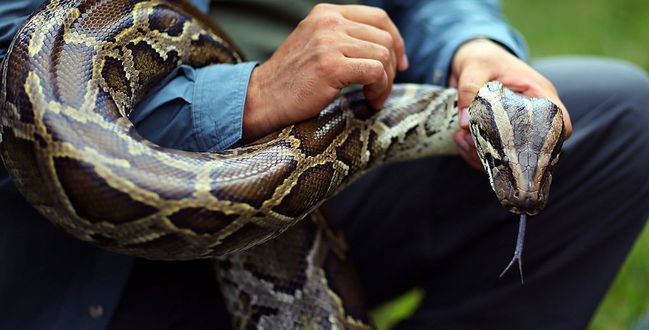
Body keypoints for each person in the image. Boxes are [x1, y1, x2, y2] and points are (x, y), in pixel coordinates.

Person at [0, 0, 647, 329]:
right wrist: (251, 95)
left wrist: (470, 45)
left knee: (615, 114)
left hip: (317, 161)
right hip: (88, 257)